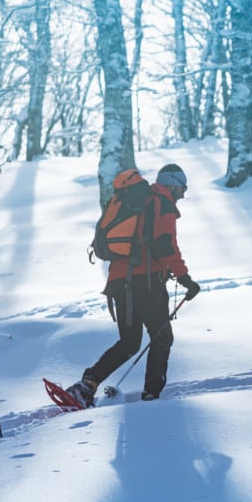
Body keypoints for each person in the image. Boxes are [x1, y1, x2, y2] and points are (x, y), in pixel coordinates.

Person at [66, 164, 200, 404]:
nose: (182, 194)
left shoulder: (139, 202)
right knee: (162, 338)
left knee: (129, 343)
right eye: (182, 188)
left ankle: (86, 385)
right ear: (172, 184)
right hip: (146, 283)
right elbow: (165, 246)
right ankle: (152, 397)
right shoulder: (162, 203)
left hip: (120, 282)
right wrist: (185, 278)